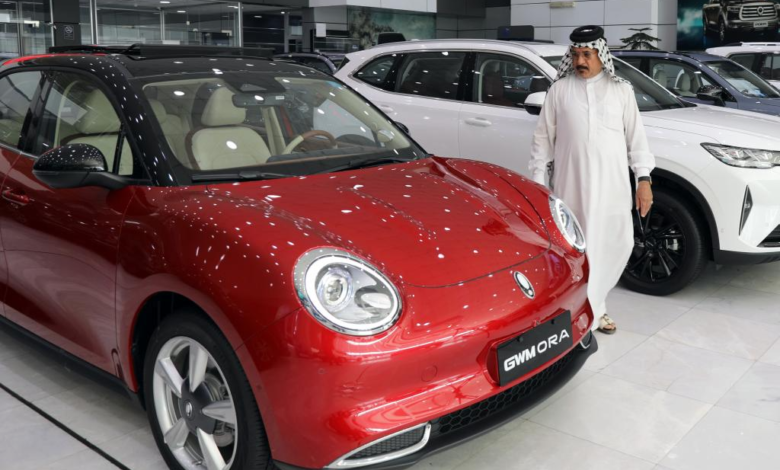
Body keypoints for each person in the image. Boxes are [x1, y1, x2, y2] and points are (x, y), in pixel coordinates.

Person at [529, 25, 655, 334]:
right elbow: (542, 140)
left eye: (587, 54)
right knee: (576, 250)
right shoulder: (559, 90)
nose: (580, 61)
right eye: (575, 55)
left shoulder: (621, 90)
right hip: (571, 186)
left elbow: (636, 139)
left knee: (617, 243)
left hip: (612, 187)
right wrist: (537, 184)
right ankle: (592, 311)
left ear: (601, 54)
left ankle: (595, 303)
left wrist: (643, 180)